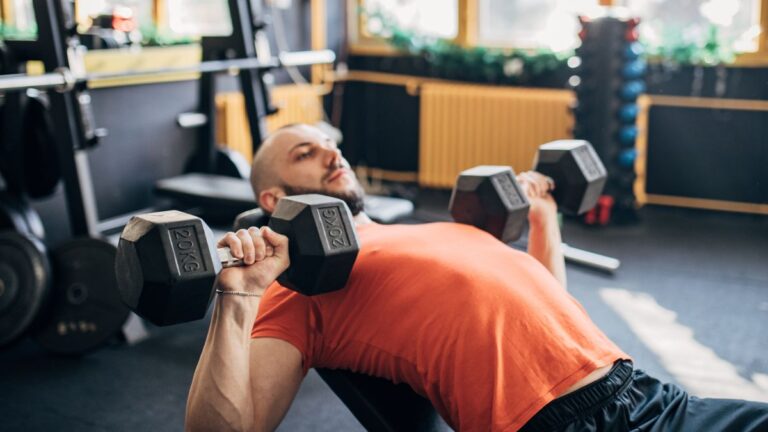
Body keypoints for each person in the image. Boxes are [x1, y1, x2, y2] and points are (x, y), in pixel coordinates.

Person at [185, 124, 768, 431]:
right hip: (562, 424)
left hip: (646, 394)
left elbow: (549, 311)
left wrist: (543, 215)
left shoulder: (429, 230)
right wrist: (239, 296)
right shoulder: (296, 284)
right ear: (273, 196)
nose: (332, 154)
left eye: (331, 144)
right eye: (306, 154)